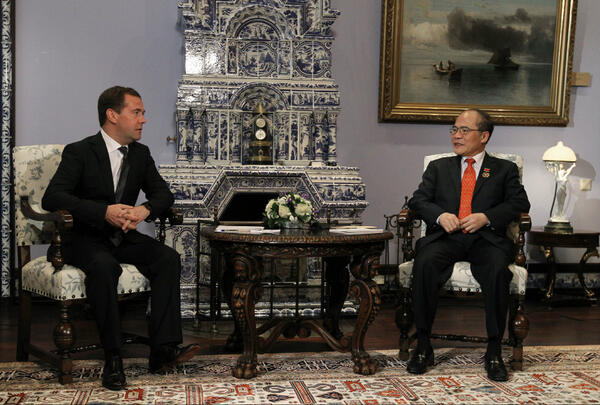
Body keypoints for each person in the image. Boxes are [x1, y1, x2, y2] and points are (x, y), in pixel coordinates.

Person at [42, 86, 200, 391]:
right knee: (104, 267)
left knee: (167, 258)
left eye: (143, 113)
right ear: (112, 115)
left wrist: (144, 210)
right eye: (136, 112)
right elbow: (53, 197)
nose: (143, 119)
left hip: (122, 237)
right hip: (83, 239)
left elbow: (163, 194)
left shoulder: (140, 154)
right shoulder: (80, 151)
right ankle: (113, 358)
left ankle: (162, 351)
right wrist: (103, 212)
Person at [406, 108, 530, 381]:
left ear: (484, 136)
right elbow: (418, 200)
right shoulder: (438, 167)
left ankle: (494, 351)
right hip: (445, 237)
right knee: (424, 264)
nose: (456, 135)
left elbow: (520, 203)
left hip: (486, 239)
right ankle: (423, 347)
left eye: (464, 130)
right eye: (454, 129)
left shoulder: (504, 169)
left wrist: (487, 217)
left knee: (497, 270)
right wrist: (440, 215)